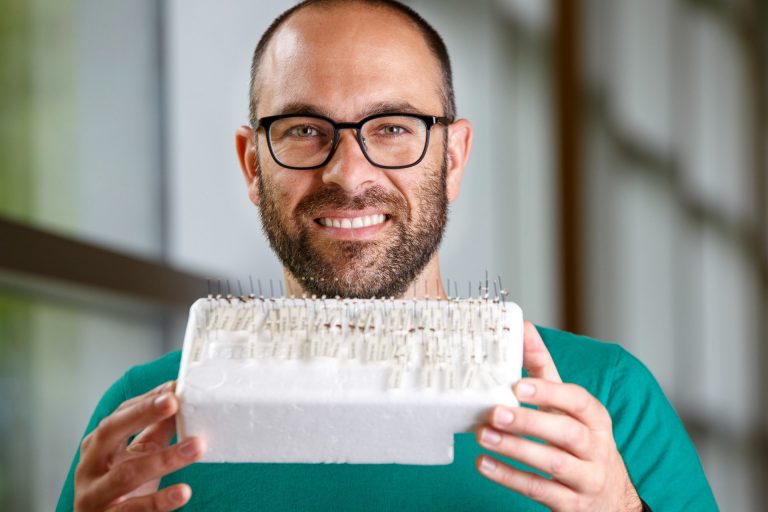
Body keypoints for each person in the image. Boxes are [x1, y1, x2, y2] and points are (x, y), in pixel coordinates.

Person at [57, 1, 718, 510]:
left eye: (394, 129)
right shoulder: (143, 421)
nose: (348, 171)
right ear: (251, 163)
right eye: (305, 130)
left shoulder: (603, 399)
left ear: (452, 157)